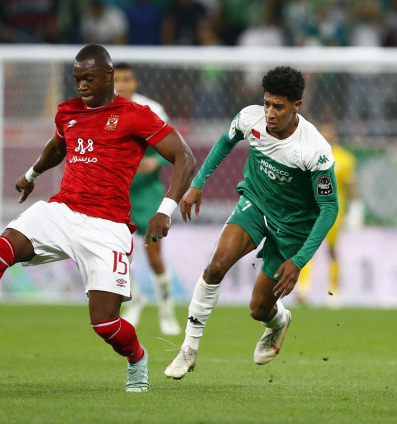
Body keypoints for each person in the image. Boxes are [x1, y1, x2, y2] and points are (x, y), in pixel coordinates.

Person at [0, 44, 196, 393]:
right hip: (61, 210)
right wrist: (31, 174)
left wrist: (165, 209)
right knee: (0, 250)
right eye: (76, 78)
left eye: (88, 78)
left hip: (106, 226)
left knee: (104, 323)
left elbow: (185, 157)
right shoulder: (69, 113)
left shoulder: (135, 115)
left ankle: (137, 359)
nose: (81, 85)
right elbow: (57, 147)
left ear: (108, 76)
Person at [164, 66, 338, 379]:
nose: (270, 112)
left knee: (259, 309)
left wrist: (299, 261)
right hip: (255, 204)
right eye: (267, 103)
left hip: (293, 227)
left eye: (279, 106)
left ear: (297, 105)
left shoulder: (315, 150)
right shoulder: (250, 118)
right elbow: (224, 142)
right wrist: (199, 182)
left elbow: (328, 209)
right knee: (215, 267)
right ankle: (188, 349)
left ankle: (279, 321)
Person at [113, 62, 181, 336]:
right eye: (117, 79)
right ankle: (135, 299)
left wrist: (156, 161)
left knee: (154, 256)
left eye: (126, 79)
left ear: (134, 82)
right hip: (118, 193)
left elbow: (173, 147)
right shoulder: (103, 111)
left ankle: (166, 310)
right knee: (119, 256)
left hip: (148, 194)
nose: (122, 84)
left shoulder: (152, 109)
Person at [297, 122, 363, 306]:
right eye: (323, 133)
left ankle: (334, 290)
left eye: (329, 133)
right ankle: (303, 289)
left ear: (335, 136)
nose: (326, 136)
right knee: (307, 249)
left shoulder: (344, 158)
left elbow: (350, 187)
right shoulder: (309, 156)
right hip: (312, 211)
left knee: (332, 251)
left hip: (334, 213)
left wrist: (356, 210)